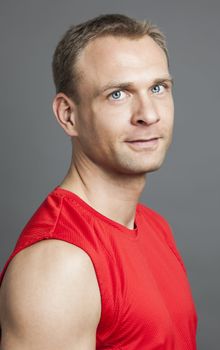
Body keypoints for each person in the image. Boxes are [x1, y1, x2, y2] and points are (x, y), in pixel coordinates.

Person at [0, 14, 197, 349]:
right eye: (118, 94)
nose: (148, 114)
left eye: (158, 88)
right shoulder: (59, 265)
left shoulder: (154, 226)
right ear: (68, 115)